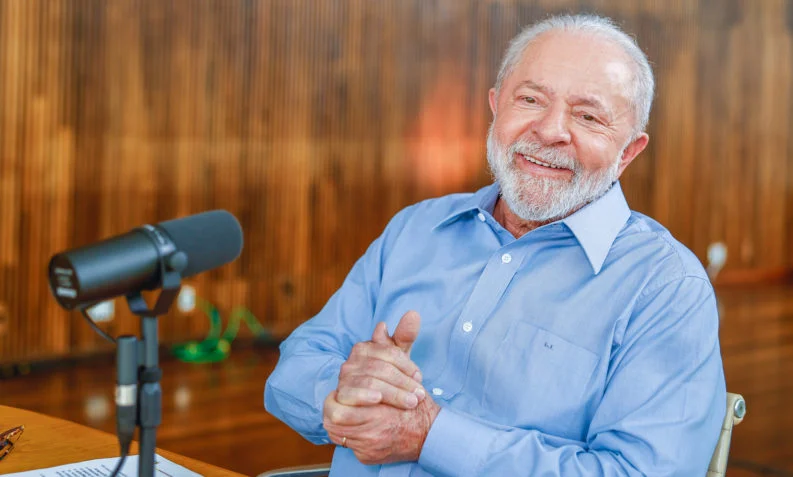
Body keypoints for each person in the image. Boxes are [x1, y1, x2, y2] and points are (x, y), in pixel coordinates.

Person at [265, 13, 726, 477]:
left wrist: (429, 435)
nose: (549, 131)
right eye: (530, 99)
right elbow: (294, 368)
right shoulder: (417, 228)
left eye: (588, 116)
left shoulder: (666, 288)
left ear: (628, 151)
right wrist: (343, 395)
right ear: (496, 107)